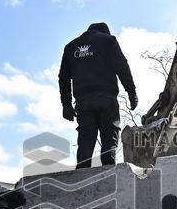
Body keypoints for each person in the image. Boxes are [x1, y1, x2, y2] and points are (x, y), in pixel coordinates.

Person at [58, 22, 138, 169]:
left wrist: (66, 104)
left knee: (85, 142)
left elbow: (63, 78)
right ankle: (108, 171)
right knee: (109, 139)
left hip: (83, 102)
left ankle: (82, 175)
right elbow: (122, 66)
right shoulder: (108, 41)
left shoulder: (70, 47)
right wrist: (131, 92)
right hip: (106, 99)